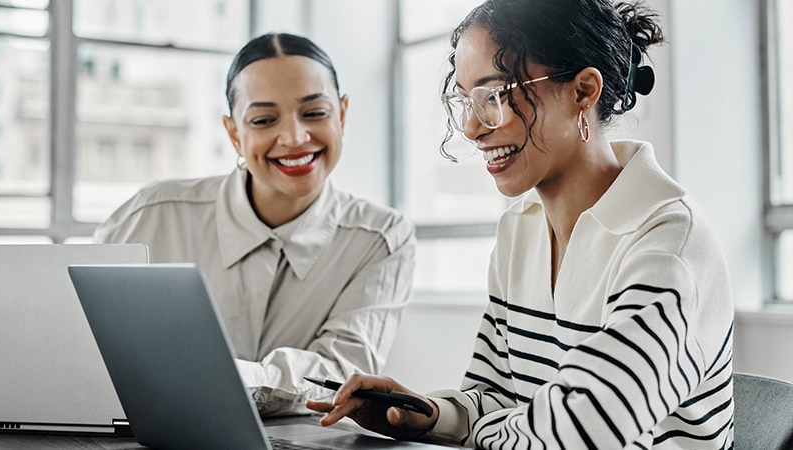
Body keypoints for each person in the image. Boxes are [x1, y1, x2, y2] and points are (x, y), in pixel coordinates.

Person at [306, 0, 734, 448]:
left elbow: (585, 430)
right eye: (466, 99)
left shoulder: (669, 242)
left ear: (583, 92)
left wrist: (479, 431)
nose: (472, 127)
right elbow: (498, 396)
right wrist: (429, 416)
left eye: (494, 96)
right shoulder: (521, 229)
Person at [93, 32, 416, 416]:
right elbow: (86, 344)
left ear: (342, 115)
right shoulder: (149, 217)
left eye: (315, 113)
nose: (295, 137)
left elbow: (342, 374)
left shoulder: (381, 239)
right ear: (234, 134)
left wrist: (222, 378)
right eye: (264, 120)